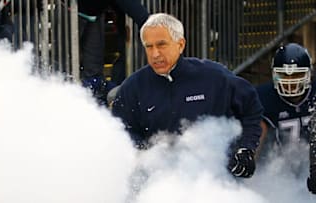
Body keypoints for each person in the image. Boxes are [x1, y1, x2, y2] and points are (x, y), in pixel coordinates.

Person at [112, 13, 264, 178]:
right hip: (161, 185)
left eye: (161, 44)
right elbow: (120, 131)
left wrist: (245, 148)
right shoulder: (133, 87)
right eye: (149, 46)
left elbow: (252, 110)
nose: (155, 54)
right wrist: (147, 156)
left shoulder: (213, 77)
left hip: (216, 182)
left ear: (180, 44)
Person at [255, 43, 316, 193]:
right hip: (277, 172)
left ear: (309, 74)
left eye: (296, 75)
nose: (290, 83)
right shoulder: (264, 97)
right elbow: (255, 135)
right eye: (284, 75)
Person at [78, 0, 149, 105]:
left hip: (94, 12)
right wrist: (151, 23)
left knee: (93, 73)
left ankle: (99, 105)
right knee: (63, 66)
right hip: (71, 10)